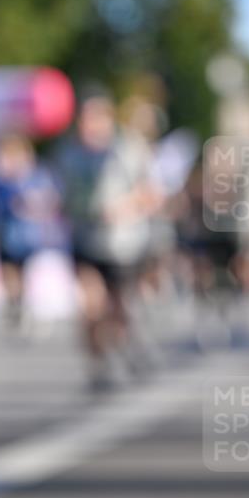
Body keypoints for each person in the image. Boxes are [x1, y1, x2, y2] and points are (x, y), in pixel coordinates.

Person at [56, 91, 158, 390]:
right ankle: (97, 364)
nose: (88, 126)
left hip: (123, 244)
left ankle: (127, 340)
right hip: (84, 240)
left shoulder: (128, 149)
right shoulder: (68, 154)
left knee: (118, 307)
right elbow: (59, 195)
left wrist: (124, 207)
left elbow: (153, 194)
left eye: (95, 118)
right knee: (90, 305)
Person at [0, 132, 67, 330]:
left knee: (26, 271)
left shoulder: (37, 175)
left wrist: (32, 204)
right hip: (5, 235)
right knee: (8, 271)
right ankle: (14, 303)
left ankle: (24, 304)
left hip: (29, 236)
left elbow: (52, 199)